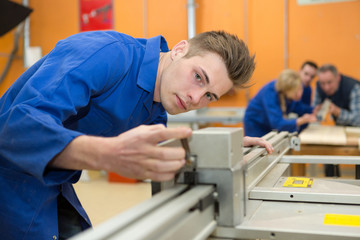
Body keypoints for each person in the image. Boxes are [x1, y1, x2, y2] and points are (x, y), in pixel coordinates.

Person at [0, 30, 273, 240]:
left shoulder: (156, 104)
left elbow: (166, 146)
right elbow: (17, 125)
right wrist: (106, 155)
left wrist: (221, 147)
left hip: (52, 181)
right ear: (179, 50)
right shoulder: (106, 55)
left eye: (209, 96)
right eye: (199, 77)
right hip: (11, 177)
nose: (195, 97)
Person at [313, 64, 360, 177]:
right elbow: (315, 115)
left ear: (338, 77)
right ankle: (332, 186)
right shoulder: (319, 87)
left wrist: (338, 112)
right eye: (323, 83)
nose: (326, 87)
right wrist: (316, 113)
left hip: (357, 131)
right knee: (327, 153)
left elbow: (358, 119)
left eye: (329, 82)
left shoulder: (354, 87)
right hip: (339, 128)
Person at [244, 69, 317, 137]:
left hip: (267, 124)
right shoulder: (270, 92)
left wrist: (314, 110)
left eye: (300, 89)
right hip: (255, 125)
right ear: (286, 90)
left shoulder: (288, 94)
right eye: (295, 92)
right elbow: (277, 123)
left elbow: (298, 107)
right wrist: (301, 120)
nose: (299, 94)